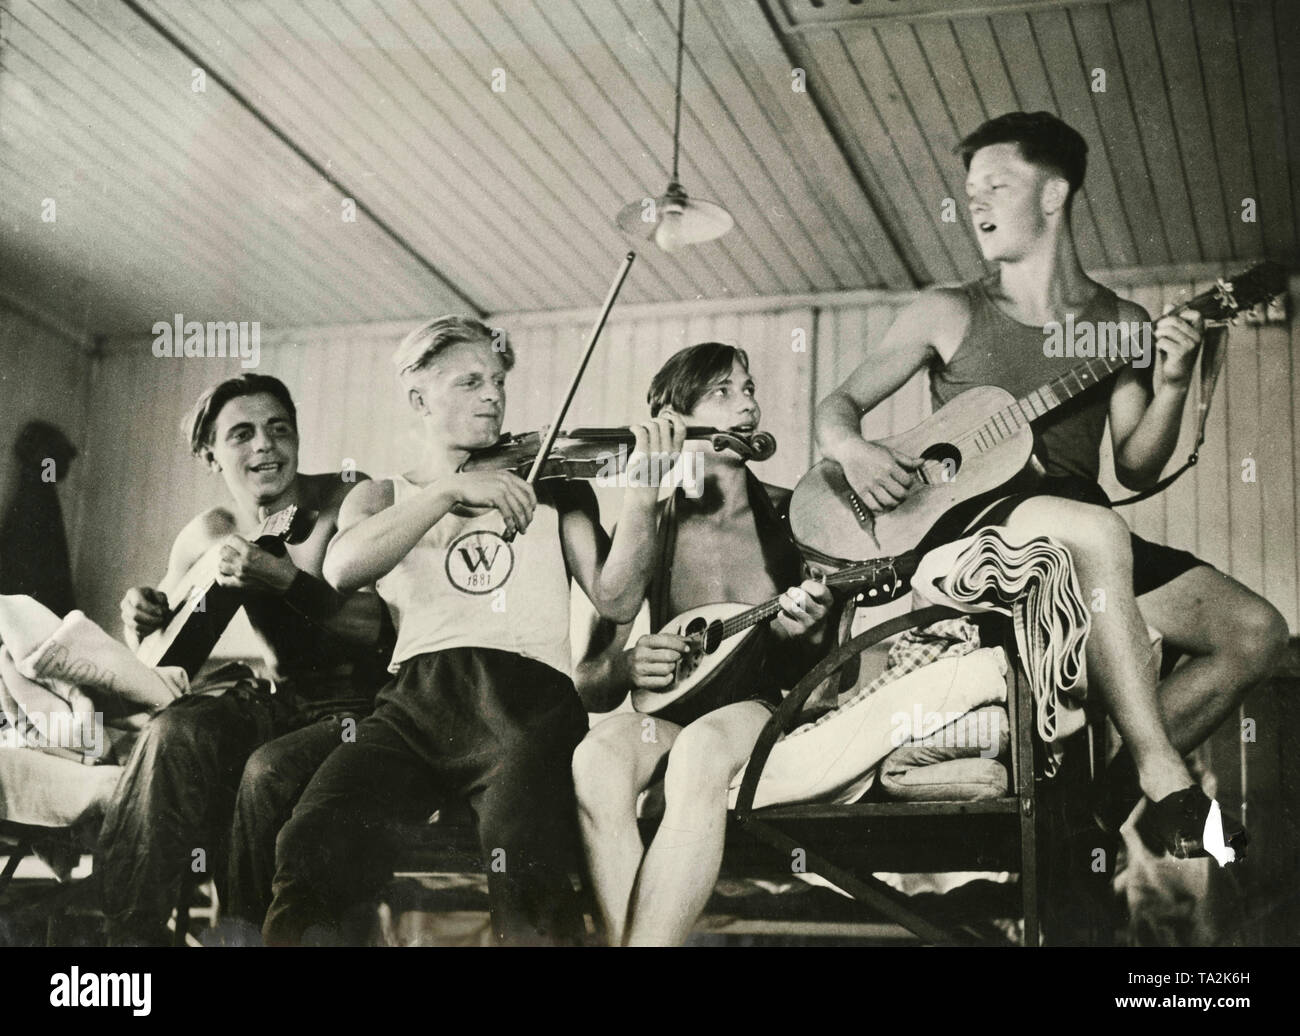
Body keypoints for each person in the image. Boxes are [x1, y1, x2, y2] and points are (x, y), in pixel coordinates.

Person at [814, 111, 1286, 861]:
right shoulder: (949, 309)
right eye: (970, 192)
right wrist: (852, 448)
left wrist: (1169, 382)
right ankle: (1167, 779)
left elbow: (1135, 465)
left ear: (1055, 194)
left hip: (1083, 520)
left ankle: (1097, 805)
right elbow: (837, 406)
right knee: (1093, 533)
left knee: (1256, 631)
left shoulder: (1119, 321)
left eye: (997, 185)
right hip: (979, 533)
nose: (976, 204)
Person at [261, 316, 684, 946]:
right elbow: (343, 566)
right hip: (416, 701)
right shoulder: (383, 495)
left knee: (524, 865)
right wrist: (449, 491)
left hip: (529, 701)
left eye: (497, 381)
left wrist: (644, 499)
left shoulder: (552, 484)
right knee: (313, 837)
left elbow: (618, 598)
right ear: (418, 398)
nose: (493, 395)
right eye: (469, 382)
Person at [98, 373, 391, 945]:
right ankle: (130, 940)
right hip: (282, 701)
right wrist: (139, 617)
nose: (265, 445)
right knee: (172, 731)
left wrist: (284, 581)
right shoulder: (212, 531)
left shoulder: (346, 499)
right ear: (211, 455)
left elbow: (373, 625)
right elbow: (162, 655)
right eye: (242, 434)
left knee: (265, 772)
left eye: (279, 429)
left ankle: (245, 938)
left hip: (366, 709)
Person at [571, 342, 834, 945]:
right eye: (723, 392)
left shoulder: (795, 516)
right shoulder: (648, 525)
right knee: (595, 762)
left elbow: (831, 680)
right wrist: (632, 664)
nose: (748, 404)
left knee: (699, 754)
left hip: (757, 711)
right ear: (673, 422)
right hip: (667, 717)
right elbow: (588, 680)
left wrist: (811, 632)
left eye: (749, 388)